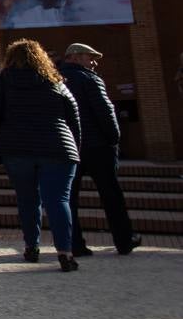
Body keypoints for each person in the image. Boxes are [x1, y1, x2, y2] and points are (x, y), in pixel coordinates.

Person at [0, 39, 82, 272]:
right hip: (58, 146)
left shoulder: (5, 80)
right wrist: (75, 146)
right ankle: (65, 252)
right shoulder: (54, 80)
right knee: (58, 201)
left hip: (18, 148)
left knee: (27, 199)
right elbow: (73, 112)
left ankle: (31, 246)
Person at [59, 43, 141, 256]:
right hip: (97, 146)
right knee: (111, 194)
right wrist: (114, 140)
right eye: (90, 58)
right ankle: (124, 240)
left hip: (67, 146)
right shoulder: (90, 79)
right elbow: (105, 112)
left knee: (69, 198)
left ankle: (74, 244)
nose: (94, 63)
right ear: (75, 57)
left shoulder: (53, 80)